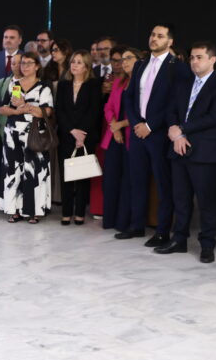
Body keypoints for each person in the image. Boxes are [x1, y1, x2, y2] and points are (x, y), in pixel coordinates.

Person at [156, 42, 216, 262]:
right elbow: (170, 111)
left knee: (207, 202)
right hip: (178, 148)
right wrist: (177, 134)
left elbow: (214, 117)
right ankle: (179, 240)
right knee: (180, 199)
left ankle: (207, 245)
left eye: (199, 57)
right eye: (192, 57)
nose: (194, 61)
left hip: (205, 151)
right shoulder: (182, 83)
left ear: (213, 60)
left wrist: (181, 130)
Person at [117, 24, 191, 247]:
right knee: (136, 179)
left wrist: (150, 125)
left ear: (169, 42)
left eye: (160, 36)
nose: (154, 39)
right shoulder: (140, 64)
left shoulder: (177, 67)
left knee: (163, 184)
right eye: (152, 34)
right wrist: (137, 123)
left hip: (159, 134)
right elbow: (129, 97)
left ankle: (162, 231)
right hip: (138, 132)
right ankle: (137, 225)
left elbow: (174, 103)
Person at [0, 51, 53, 223]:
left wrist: (24, 105)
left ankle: (34, 210)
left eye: (29, 63)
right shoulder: (14, 85)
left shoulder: (44, 87)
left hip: (35, 135)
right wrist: (16, 110)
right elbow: (2, 109)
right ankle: (14, 209)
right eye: (23, 63)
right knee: (13, 171)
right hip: (13, 134)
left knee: (34, 171)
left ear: (37, 66)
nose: (25, 66)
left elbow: (46, 112)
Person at [54, 50, 102, 225]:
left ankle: (80, 212)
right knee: (67, 174)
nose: (74, 65)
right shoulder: (63, 84)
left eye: (79, 62)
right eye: (73, 61)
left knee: (82, 175)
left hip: (86, 136)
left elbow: (94, 111)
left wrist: (81, 133)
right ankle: (66, 212)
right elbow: (60, 111)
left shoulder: (94, 84)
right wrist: (72, 131)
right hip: (67, 135)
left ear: (87, 66)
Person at [101, 47, 140, 232]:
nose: (123, 62)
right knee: (110, 179)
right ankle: (110, 220)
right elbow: (108, 107)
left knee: (128, 181)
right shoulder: (119, 82)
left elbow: (143, 113)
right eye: (122, 59)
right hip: (114, 136)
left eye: (128, 58)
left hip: (134, 137)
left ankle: (124, 223)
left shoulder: (143, 83)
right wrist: (114, 127)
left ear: (139, 60)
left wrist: (122, 125)